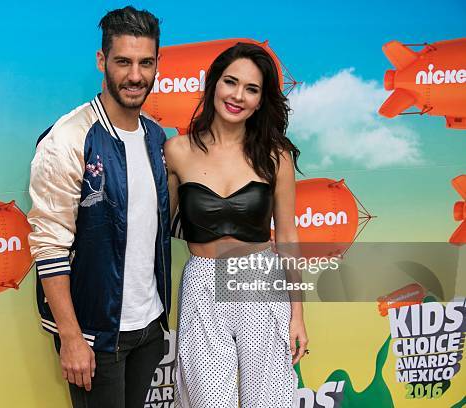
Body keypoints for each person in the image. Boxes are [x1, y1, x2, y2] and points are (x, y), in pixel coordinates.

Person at [27, 6, 171, 408]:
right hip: (94, 335)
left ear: (158, 63)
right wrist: (71, 338)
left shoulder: (157, 138)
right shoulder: (67, 140)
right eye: (123, 61)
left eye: (146, 62)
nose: (135, 75)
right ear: (101, 60)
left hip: (149, 327)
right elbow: (49, 247)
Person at [165, 42, 308, 407]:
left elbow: (288, 237)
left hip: (260, 279)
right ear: (214, 84)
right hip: (201, 283)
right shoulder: (177, 151)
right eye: (231, 82)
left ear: (261, 101)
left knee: (270, 401)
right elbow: (157, 225)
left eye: (252, 89)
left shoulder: (276, 157)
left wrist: (297, 314)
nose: (238, 96)